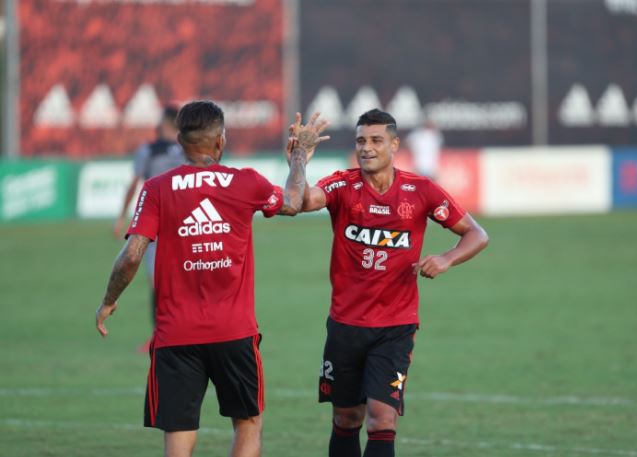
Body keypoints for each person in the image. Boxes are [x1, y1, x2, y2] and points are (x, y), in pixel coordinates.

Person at [95, 101, 329, 457]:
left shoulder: (156, 188)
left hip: (175, 335)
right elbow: (293, 202)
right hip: (234, 332)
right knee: (248, 425)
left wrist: (109, 300)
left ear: (179, 141)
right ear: (221, 141)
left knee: (179, 433)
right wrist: (299, 156)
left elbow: (131, 255)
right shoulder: (245, 181)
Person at [294, 109, 488, 457]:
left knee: (382, 420)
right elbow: (301, 201)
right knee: (346, 418)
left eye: (376, 140)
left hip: (395, 328)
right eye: (360, 141)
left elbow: (477, 234)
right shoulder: (342, 185)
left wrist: (447, 258)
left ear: (395, 145)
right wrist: (299, 160)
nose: (366, 148)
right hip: (345, 325)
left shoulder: (420, 190)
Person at [112, 105, 187, 344]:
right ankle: (163, 334)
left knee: (168, 281)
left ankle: (170, 333)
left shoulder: (155, 150)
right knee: (163, 281)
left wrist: (121, 217)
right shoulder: (181, 149)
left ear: (166, 123)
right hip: (171, 224)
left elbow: (134, 183)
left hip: (169, 225)